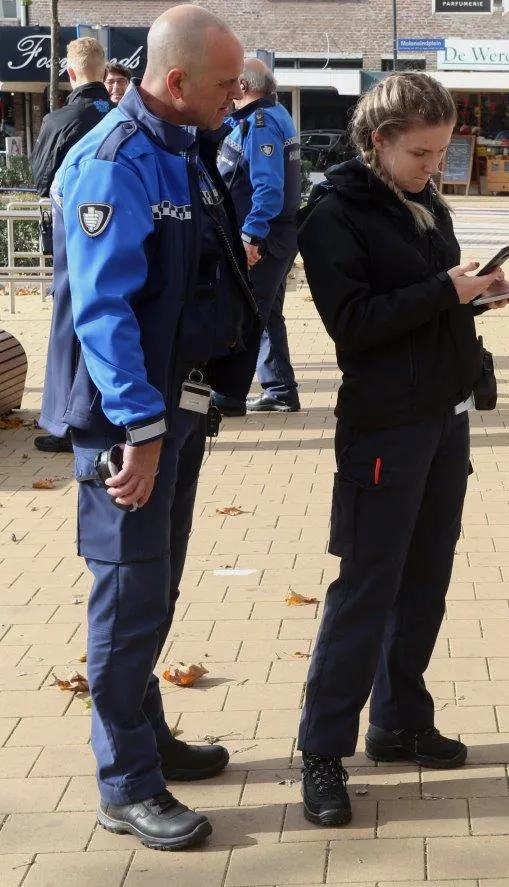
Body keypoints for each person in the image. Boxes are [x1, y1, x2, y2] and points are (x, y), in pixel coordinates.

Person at [39, 4, 258, 851]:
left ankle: (147, 736)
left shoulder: (182, 147)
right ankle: (125, 783)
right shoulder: (117, 162)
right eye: (223, 82)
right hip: (130, 427)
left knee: (155, 588)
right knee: (128, 599)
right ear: (174, 84)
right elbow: (103, 314)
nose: (236, 96)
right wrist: (142, 425)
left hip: (172, 414)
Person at [294, 72, 509, 828]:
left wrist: (478, 292)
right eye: (421, 152)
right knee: (367, 586)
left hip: (443, 415)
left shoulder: (421, 201)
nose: (434, 166)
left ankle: (398, 720)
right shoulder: (332, 214)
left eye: (441, 152)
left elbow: (428, 299)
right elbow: (353, 323)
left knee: (425, 577)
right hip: (385, 425)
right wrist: (445, 295)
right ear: (377, 140)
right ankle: (323, 748)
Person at [29, 36, 113, 456]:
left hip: (72, 234)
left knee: (67, 323)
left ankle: (63, 421)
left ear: (69, 72)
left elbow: (40, 180)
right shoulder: (121, 118)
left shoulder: (59, 120)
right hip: (116, 234)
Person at [213, 58, 303, 415]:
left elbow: (267, 189)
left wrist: (251, 237)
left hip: (264, 237)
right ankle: (280, 389)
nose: (230, 89)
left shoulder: (260, 123)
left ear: (246, 88)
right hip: (277, 234)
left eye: (234, 83)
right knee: (266, 314)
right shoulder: (275, 116)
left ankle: (229, 395)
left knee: (246, 314)